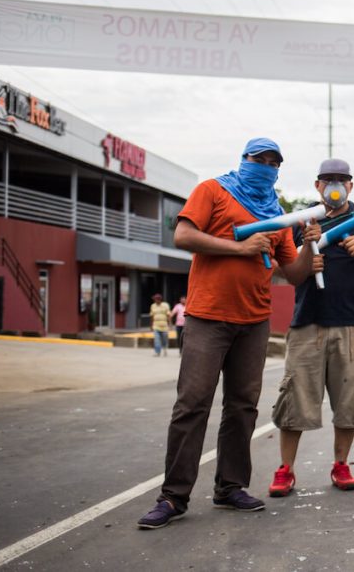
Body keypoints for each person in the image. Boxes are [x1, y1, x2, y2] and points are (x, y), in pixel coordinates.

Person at [137, 137, 322, 530]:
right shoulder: (213, 191)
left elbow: (294, 274)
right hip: (207, 317)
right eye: (260, 159)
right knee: (193, 404)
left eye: (274, 162)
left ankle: (230, 487)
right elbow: (183, 236)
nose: (266, 166)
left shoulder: (278, 213)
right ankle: (173, 496)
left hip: (254, 321)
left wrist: (308, 247)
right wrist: (237, 248)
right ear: (244, 159)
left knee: (243, 406)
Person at [268, 158, 354, 496]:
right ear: (317, 185)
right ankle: (285, 470)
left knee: (350, 400)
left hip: (353, 323)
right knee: (295, 398)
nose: (334, 185)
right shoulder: (303, 220)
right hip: (307, 321)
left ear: (351, 185)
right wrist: (308, 255)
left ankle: (341, 465)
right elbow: (282, 268)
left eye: (341, 180)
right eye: (327, 180)